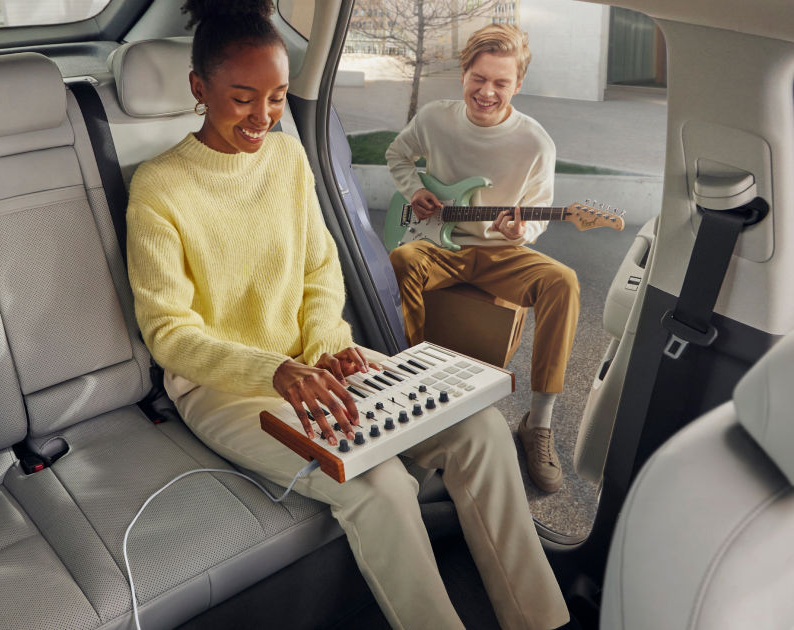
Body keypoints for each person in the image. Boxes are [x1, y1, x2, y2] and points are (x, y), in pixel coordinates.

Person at [126, 2, 570, 628]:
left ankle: (542, 621)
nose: (263, 117)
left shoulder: (286, 157)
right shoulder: (160, 187)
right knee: (380, 485)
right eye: (243, 99)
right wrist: (277, 370)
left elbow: (319, 268)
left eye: (276, 98)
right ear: (199, 88)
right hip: (226, 389)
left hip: (319, 362)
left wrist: (328, 344)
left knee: (484, 429)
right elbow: (169, 333)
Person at [386, 24, 579, 494]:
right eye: (479, 78)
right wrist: (415, 191)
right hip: (438, 245)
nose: (487, 92)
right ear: (463, 75)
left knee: (563, 281)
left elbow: (538, 212)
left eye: (500, 82)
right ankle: (415, 383)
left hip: (501, 253)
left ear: (518, 84)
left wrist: (521, 230)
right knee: (402, 259)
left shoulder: (536, 143)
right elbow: (397, 155)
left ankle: (538, 422)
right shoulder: (435, 119)